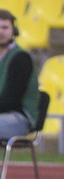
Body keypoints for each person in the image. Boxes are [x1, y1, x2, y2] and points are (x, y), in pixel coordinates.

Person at [0, 10, 39, 141]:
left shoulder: (21, 58)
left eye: (5, 27)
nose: (1, 32)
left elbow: (10, 100)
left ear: (14, 31)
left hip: (19, 118)